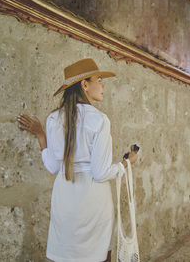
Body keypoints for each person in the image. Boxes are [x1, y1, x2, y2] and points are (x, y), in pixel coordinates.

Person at [17, 58, 138, 262]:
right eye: (98, 80)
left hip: (65, 198)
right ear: (84, 84)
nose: (102, 85)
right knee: (98, 256)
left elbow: (54, 166)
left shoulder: (53, 119)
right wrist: (127, 163)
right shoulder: (100, 120)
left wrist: (41, 136)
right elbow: (100, 173)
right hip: (93, 202)